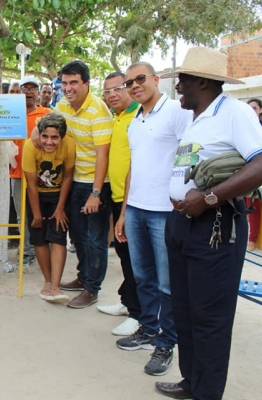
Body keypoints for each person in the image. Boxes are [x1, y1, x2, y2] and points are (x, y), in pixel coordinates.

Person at [156, 46, 262, 400]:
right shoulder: (199, 117)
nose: (178, 86)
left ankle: (207, 393)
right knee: (186, 310)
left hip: (215, 227)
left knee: (209, 318)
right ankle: (192, 382)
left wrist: (210, 198)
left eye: (184, 80)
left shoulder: (235, 112)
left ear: (203, 82)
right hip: (182, 224)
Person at [114, 62, 190, 376]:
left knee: (167, 283)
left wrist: (183, 198)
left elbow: (190, 156)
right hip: (136, 209)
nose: (134, 86)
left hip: (165, 212)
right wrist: (123, 213)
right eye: (129, 82)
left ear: (156, 80)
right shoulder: (135, 120)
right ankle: (147, 329)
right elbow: (134, 168)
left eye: (140, 79)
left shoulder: (176, 112)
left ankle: (166, 343)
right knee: (143, 277)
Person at [50, 60, 114, 309]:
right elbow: (50, 126)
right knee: (77, 236)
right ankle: (83, 277)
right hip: (74, 181)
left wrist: (96, 193)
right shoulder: (63, 105)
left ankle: (92, 289)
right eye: (64, 83)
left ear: (87, 83)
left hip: (96, 184)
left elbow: (103, 156)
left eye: (74, 82)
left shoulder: (98, 111)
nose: (68, 88)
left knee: (95, 239)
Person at [97, 72, 142, 337]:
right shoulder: (117, 117)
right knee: (125, 257)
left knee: (137, 261)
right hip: (116, 197)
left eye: (117, 88)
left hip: (134, 200)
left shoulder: (139, 116)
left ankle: (139, 315)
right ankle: (128, 303)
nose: (112, 94)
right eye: (107, 91)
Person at [23, 113, 74, 303]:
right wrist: (36, 214)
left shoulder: (69, 144)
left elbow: (68, 176)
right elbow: (31, 184)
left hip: (59, 195)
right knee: (39, 238)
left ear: (62, 137)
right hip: (37, 195)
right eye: (45, 136)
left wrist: (60, 208)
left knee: (58, 236)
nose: (49, 142)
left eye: (55, 137)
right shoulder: (30, 146)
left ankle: (55, 285)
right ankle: (47, 281)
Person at [10, 76, 51, 265]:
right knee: (22, 215)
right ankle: (27, 250)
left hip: (42, 174)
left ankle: (45, 248)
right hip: (17, 173)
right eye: (24, 88)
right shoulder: (10, 113)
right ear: (18, 92)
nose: (28, 91)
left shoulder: (48, 114)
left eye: (33, 88)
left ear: (38, 92)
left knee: (42, 212)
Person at [244, 98, 262, 251]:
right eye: (249, 108)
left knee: (253, 204)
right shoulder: (243, 126)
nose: (252, 111)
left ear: (261, 110)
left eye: (254, 108)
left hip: (258, 171)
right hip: (241, 170)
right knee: (240, 203)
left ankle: (252, 239)